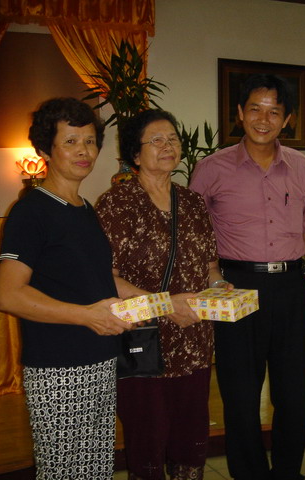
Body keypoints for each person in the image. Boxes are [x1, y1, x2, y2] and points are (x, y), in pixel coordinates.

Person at [190, 74, 305, 480]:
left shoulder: (302, 168)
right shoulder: (211, 169)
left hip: (290, 287)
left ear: (287, 120)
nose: (263, 120)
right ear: (239, 113)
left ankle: (287, 472)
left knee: (294, 394)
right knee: (240, 395)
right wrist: (212, 280)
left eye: (274, 112)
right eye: (255, 109)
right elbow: (196, 233)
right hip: (236, 288)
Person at [0, 97, 134, 479]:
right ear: (45, 149)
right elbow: (8, 294)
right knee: (64, 471)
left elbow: (95, 279)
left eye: (89, 141)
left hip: (100, 359)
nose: (84, 151)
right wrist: (87, 316)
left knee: (95, 469)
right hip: (59, 369)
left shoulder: (84, 209)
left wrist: (159, 301)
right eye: (71, 141)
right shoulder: (32, 211)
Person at [95, 109, 226, 480]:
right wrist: (165, 305)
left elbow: (210, 267)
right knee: (147, 439)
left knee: (190, 438)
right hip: (143, 343)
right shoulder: (116, 204)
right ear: (135, 154)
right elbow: (106, 279)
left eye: (172, 138)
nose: (168, 146)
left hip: (193, 342)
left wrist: (220, 289)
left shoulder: (193, 203)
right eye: (156, 140)